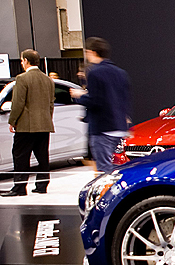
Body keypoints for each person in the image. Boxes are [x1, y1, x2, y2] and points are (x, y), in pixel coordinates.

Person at [69, 37, 131, 173]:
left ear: (91, 52)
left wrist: (80, 96)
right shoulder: (120, 73)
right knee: (115, 165)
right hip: (119, 126)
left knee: (104, 170)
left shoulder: (94, 72)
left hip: (102, 128)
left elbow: (95, 101)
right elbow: (123, 98)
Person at [2, 50, 54, 197]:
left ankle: (19, 188)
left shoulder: (22, 79)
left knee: (20, 156)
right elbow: (51, 104)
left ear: (26, 60)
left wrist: (13, 121)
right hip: (44, 125)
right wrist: (46, 120)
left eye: (21, 60)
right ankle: (42, 185)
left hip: (26, 126)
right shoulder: (47, 80)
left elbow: (18, 103)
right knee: (42, 156)